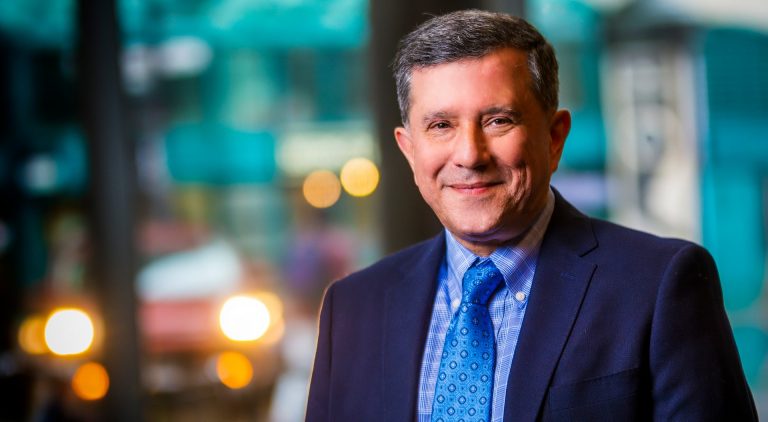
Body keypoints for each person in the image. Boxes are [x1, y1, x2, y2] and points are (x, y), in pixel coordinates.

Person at [305, 9, 757, 421]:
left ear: (554, 137)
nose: (469, 154)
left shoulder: (658, 286)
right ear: (408, 149)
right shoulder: (352, 308)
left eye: (498, 120)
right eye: (441, 125)